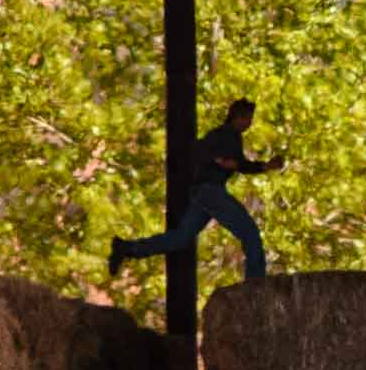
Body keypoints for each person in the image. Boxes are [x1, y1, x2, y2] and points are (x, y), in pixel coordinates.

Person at [110, 98, 285, 280]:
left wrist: (263, 166)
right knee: (249, 231)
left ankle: (128, 248)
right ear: (237, 117)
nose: (250, 123)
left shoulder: (223, 135)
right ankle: (256, 282)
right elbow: (219, 157)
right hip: (210, 191)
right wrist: (220, 161)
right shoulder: (228, 134)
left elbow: (236, 163)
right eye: (248, 118)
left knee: (181, 238)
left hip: (202, 193)